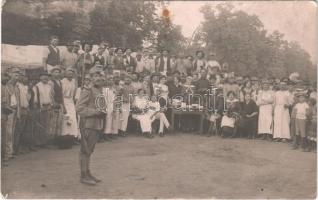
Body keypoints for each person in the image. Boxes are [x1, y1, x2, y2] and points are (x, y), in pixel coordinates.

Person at [76, 67, 105, 185]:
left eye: (100, 76)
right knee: (85, 150)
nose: (98, 78)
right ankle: (83, 176)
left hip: (96, 124)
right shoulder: (87, 91)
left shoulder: (100, 91)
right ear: (91, 78)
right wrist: (95, 112)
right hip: (88, 124)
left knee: (90, 150)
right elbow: (79, 108)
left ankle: (87, 172)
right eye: (95, 76)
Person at [2, 67, 21, 162]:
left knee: (12, 132)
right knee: (7, 133)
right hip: (7, 111)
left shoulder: (17, 87)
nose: (17, 77)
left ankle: (10, 152)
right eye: (15, 75)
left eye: (18, 75)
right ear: (10, 75)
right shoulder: (5, 86)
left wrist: (18, 112)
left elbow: (18, 101)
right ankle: (6, 154)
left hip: (14, 110)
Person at [58, 68, 79, 149]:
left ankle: (73, 137)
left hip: (71, 101)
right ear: (66, 74)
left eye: (72, 73)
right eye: (69, 73)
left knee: (73, 119)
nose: (70, 75)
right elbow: (61, 95)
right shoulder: (62, 81)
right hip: (64, 100)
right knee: (66, 119)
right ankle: (65, 138)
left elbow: (74, 92)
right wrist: (63, 106)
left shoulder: (73, 81)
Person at [33, 70, 54, 147]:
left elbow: (51, 97)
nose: (45, 77)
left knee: (47, 125)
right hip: (41, 107)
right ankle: (39, 142)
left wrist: (51, 105)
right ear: (40, 77)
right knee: (40, 125)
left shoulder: (49, 86)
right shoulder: (37, 86)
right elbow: (35, 98)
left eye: (47, 76)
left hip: (48, 107)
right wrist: (37, 107)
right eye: (43, 75)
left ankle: (45, 142)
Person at [14, 72, 31, 155]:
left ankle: (21, 147)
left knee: (24, 129)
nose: (24, 79)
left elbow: (27, 100)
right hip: (19, 109)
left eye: (25, 77)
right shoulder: (17, 86)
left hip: (25, 109)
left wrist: (27, 108)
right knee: (18, 129)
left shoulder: (26, 87)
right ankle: (15, 149)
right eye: (22, 77)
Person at [49, 66, 66, 144]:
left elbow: (61, 94)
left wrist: (64, 106)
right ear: (52, 73)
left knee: (59, 122)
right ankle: (51, 140)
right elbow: (51, 94)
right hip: (54, 104)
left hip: (60, 103)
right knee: (53, 122)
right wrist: (53, 103)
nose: (57, 73)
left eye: (58, 72)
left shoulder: (60, 82)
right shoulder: (51, 82)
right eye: (55, 72)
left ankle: (57, 139)